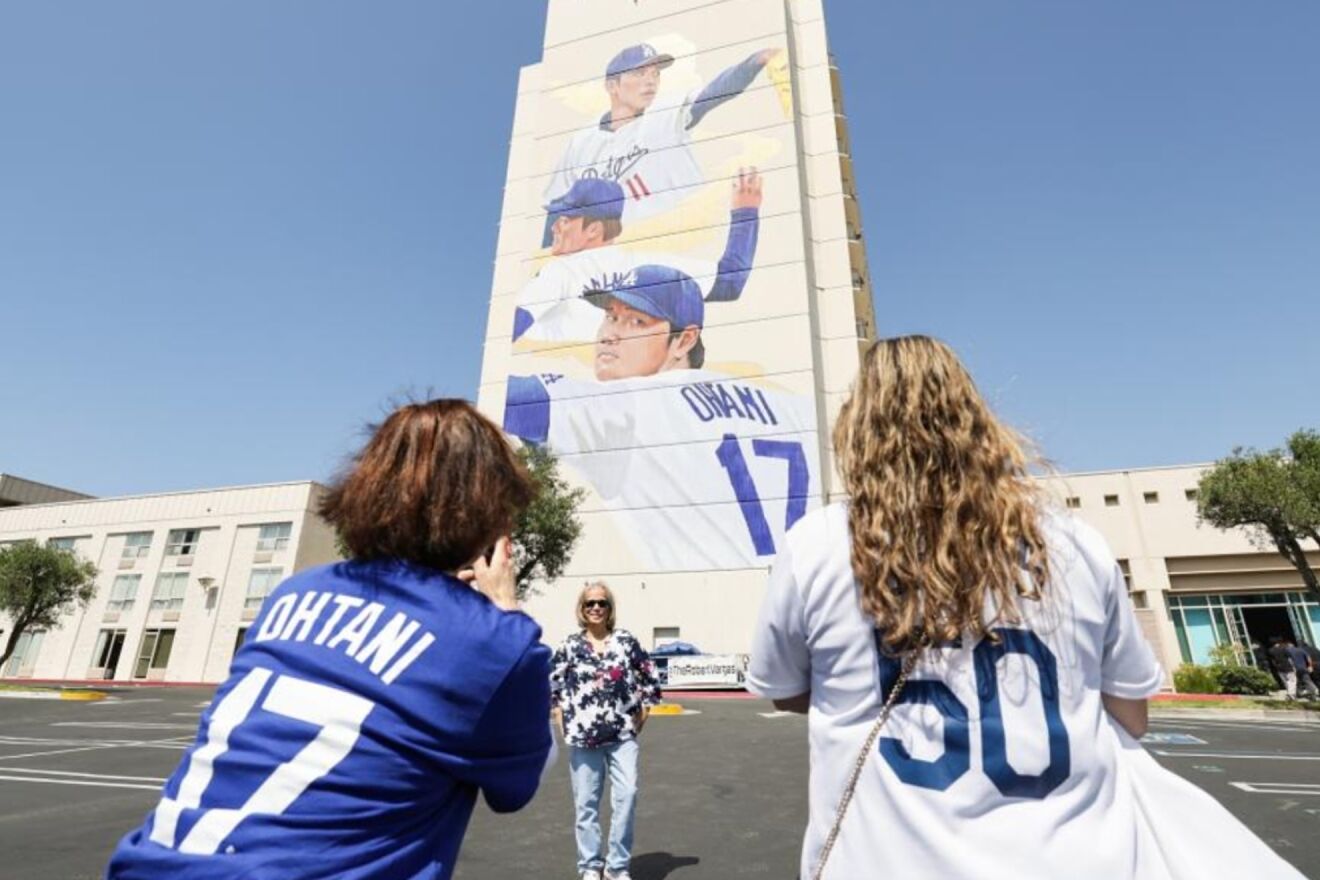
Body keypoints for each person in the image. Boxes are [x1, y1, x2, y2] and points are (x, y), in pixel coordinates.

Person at [747, 335, 1265, 878]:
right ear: (977, 422)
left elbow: (784, 692)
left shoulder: (817, 545)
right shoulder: (1073, 542)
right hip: (1077, 857)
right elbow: (1131, 714)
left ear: (857, 428)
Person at [106, 400, 553, 880]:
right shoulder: (496, 642)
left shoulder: (292, 592)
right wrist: (505, 612)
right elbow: (516, 789)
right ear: (489, 512)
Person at [503, 266, 820, 568]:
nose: (610, 334)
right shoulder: (794, 409)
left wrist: (525, 310)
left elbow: (506, 396)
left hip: (723, 601)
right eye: (611, 317)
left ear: (685, 340)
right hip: (813, 600)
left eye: (636, 321)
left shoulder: (634, 405)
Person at [542, 42, 784, 236]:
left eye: (655, 74)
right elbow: (558, 207)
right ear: (612, 86)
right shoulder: (581, 142)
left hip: (682, 233)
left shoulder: (668, 113)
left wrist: (755, 61)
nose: (651, 81)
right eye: (639, 72)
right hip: (613, 251)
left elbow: (715, 92)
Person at [514, 170, 763, 344]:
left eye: (565, 220)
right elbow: (729, 284)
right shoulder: (647, 266)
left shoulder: (562, 271)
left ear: (593, 230)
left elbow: (513, 325)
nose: (554, 227)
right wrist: (745, 212)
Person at [551, 582, 662, 880]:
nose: (596, 608)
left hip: (623, 735)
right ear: (582, 609)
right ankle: (589, 866)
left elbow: (649, 675)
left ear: (610, 609)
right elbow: (552, 683)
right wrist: (560, 714)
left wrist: (646, 710)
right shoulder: (570, 646)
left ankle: (617, 867)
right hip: (583, 737)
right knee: (586, 805)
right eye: (590, 604)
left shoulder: (625, 641)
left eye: (602, 603)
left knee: (627, 796)